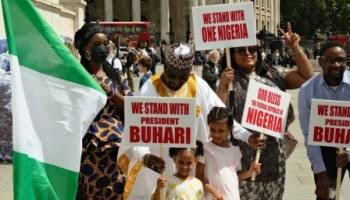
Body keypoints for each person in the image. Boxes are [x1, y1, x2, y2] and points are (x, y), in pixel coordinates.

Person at [121, 43, 261, 200]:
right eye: (172, 75)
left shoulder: (198, 86)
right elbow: (135, 131)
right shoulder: (149, 89)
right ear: (164, 67)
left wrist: (247, 136)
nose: (176, 82)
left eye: (183, 77)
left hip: (193, 169)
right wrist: (144, 157)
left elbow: (222, 116)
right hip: (160, 167)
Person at [217, 23, 314, 200]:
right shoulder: (229, 80)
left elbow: (307, 78)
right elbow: (218, 112)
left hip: (273, 157)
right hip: (243, 157)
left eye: (252, 49)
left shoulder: (272, 74)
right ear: (232, 55)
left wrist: (295, 48)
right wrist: (223, 86)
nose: (248, 53)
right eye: (241, 50)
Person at [74, 22, 128, 199]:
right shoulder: (77, 76)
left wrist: (111, 92)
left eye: (105, 43)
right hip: (90, 152)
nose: (103, 48)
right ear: (85, 49)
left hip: (117, 151)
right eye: (97, 44)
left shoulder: (116, 76)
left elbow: (131, 107)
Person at [298, 41, 350, 200]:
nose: (337, 65)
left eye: (341, 60)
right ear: (320, 62)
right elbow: (309, 135)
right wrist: (320, 172)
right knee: (327, 195)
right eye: (331, 60)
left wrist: (348, 151)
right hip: (325, 150)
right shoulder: (307, 90)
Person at [196, 106, 261, 200]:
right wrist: (213, 192)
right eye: (212, 130)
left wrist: (250, 172)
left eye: (221, 131)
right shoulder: (205, 148)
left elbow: (235, 177)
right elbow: (198, 178)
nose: (216, 134)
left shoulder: (236, 151)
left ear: (230, 128)